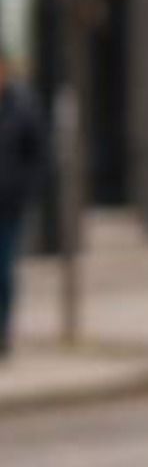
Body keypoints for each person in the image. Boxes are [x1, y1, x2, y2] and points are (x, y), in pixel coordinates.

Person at [0, 51, 51, 358]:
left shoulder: (23, 106)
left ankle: (3, 331)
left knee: (4, 271)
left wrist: (25, 192)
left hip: (9, 207)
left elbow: (40, 156)